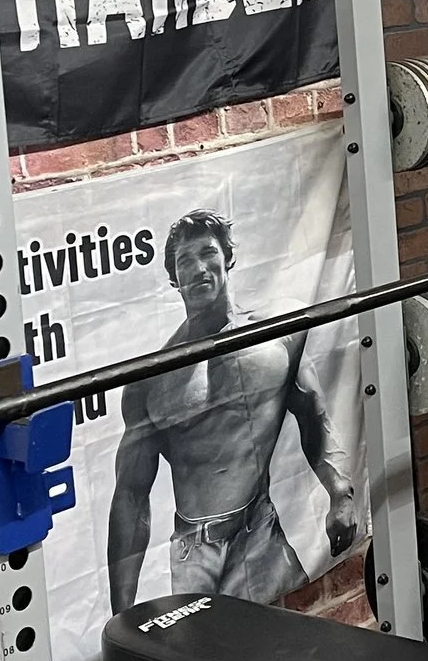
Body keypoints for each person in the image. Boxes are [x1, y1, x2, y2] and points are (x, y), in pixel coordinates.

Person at [107, 208, 360, 611]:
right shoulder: (150, 379)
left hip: (260, 530)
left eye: (207, 253)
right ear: (174, 279)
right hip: (196, 554)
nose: (197, 269)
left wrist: (340, 494)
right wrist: (121, 613)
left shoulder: (277, 334)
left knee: (291, 645)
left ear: (228, 257)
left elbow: (315, 417)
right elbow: (131, 496)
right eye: (184, 261)